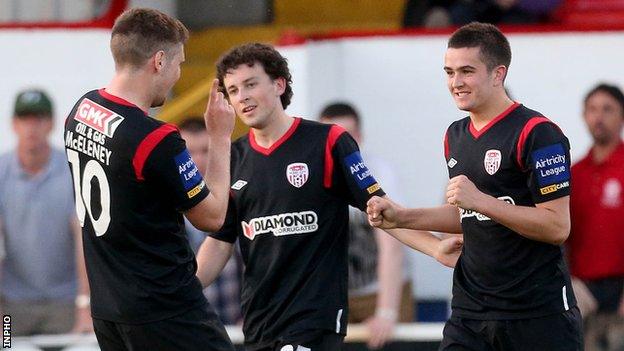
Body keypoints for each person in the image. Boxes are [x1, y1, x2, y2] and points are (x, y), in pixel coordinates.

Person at [195, 42, 462, 351]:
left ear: (279, 84)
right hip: (259, 320)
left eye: (251, 84)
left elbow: (382, 211)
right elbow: (219, 241)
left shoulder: (328, 142)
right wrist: (183, 289)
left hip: (315, 319)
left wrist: (434, 247)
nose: (242, 97)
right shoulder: (233, 157)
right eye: (233, 90)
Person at [367, 22, 583, 350]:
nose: (456, 83)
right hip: (470, 312)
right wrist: (402, 216)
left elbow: (556, 226)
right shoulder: (455, 135)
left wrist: (483, 201)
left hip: (537, 314)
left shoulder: (538, 133)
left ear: (498, 74)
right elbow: (466, 216)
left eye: (467, 71)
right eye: (449, 72)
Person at [63, 8, 235, 350]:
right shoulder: (154, 139)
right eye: (178, 63)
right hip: (164, 310)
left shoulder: (80, 110)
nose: (177, 75)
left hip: (108, 311)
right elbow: (213, 218)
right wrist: (220, 138)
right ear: (158, 61)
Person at [318, 102, 414, 349]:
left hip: (380, 288)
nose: (339, 146)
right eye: (332, 137)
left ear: (359, 137)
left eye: (346, 137)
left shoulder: (378, 173)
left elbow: (392, 245)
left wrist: (386, 312)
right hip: (334, 293)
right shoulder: (310, 176)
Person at [0, 89, 92, 336]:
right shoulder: (1, 172)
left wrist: (85, 304)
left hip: (65, 303)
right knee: (6, 345)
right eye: (24, 119)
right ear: (14, 124)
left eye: (38, 119)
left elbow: (83, 240)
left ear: (50, 123)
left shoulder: (71, 171)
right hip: (11, 306)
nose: (31, 127)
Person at [567, 83, 624, 351]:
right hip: (585, 292)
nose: (598, 117)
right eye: (592, 109)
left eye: (607, 109)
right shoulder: (574, 173)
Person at [179, 117, 243, 326]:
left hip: (237, 326)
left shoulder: (236, 197)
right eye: (190, 153)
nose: (198, 160)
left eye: (206, 151)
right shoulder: (165, 210)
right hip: (187, 328)